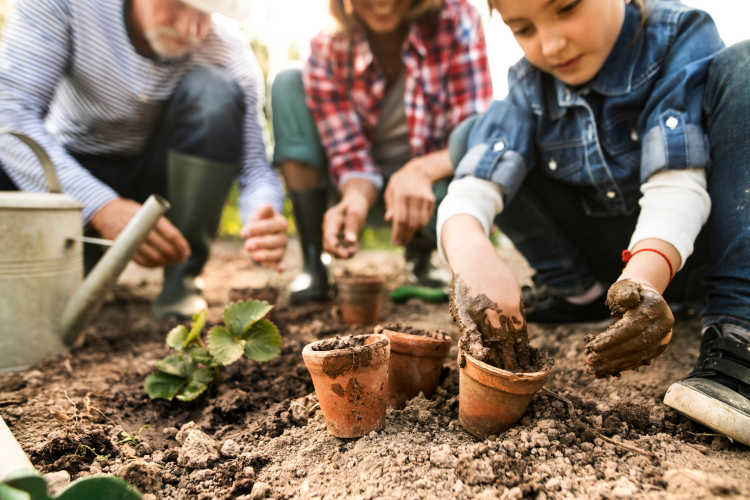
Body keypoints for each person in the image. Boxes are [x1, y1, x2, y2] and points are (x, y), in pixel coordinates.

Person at [439, 0, 750, 445]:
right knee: (472, 137)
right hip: (614, 270)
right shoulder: (530, 83)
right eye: (523, 28)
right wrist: (472, 254)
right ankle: (580, 294)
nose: (551, 44)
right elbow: (475, 184)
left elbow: (677, 184)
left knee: (746, 64)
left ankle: (739, 330)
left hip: (697, 252)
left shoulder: (679, 36)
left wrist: (644, 277)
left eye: (566, 8)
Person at [0, 0, 288, 320]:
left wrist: (263, 211)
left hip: (158, 181)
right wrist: (100, 206)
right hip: (69, 172)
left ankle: (182, 279)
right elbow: (9, 114)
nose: (190, 29)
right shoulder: (65, 6)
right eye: (178, 5)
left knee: (215, 90)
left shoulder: (228, 53)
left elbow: (255, 169)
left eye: (205, 13)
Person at [270, 0, 493, 304]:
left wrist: (418, 173)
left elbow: (473, 136)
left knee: (483, 174)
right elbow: (349, 154)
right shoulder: (327, 47)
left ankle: (421, 252)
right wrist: (356, 198)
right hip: (361, 191)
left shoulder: (456, 19)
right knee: (287, 81)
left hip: (433, 190)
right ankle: (313, 258)